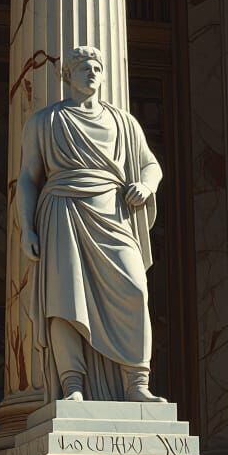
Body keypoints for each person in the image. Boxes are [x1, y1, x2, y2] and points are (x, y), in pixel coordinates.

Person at [18, 45, 165, 403]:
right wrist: (27, 228)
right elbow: (27, 178)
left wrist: (146, 186)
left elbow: (151, 165)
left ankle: (136, 383)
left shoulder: (123, 122)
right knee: (66, 301)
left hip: (113, 211)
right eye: (84, 68)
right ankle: (73, 385)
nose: (92, 74)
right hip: (63, 210)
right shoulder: (45, 121)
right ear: (68, 75)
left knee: (135, 291)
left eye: (97, 68)